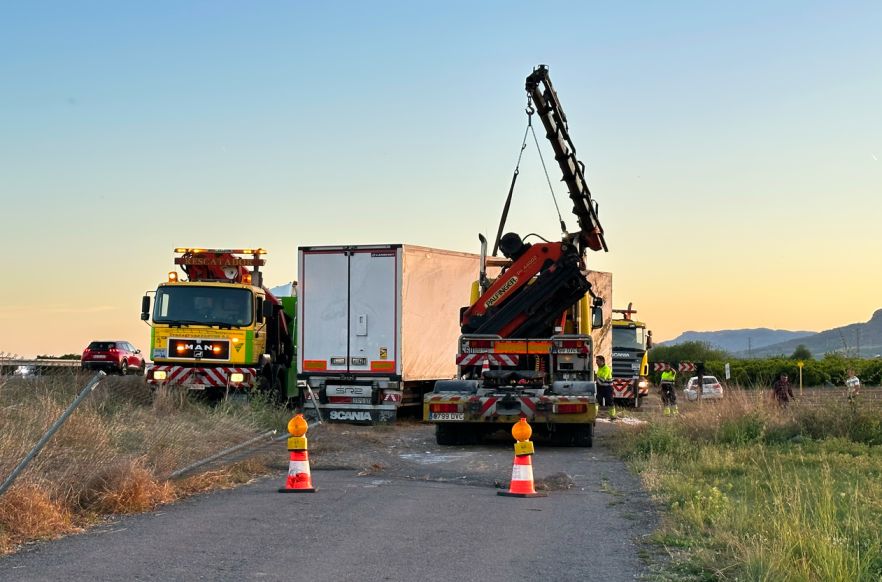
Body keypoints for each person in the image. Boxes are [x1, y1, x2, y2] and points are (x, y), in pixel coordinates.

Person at [595, 355, 616, 420]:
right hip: (600, 388)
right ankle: (594, 415)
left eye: (597, 360)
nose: (596, 362)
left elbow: (601, 381)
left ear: (602, 361)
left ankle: (612, 416)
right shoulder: (600, 368)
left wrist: (595, 377)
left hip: (607, 388)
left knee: (610, 402)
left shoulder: (606, 369)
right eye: (596, 360)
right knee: (596, 401)